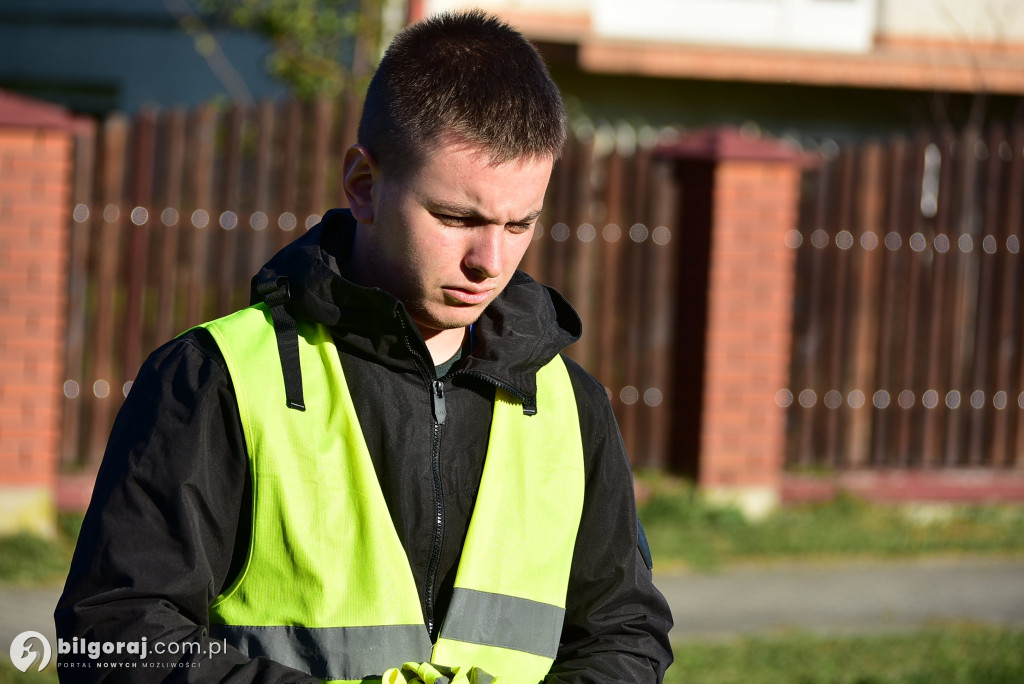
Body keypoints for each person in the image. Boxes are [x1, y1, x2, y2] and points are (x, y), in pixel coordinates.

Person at [56, 10, 673, 683]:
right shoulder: (215, 378)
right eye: (456, 217)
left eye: (520, 223)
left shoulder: (571, 405)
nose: (490, 262)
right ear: (363, 185)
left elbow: (625, 635)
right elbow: (112, 637)